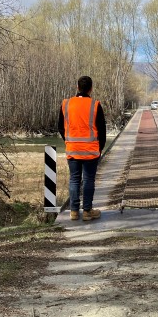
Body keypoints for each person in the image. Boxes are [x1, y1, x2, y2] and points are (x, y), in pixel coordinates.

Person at [58, 76, 106, 221]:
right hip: (90, 150)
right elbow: (102, 130)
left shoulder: (66, 104)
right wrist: (100, 148)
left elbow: (60, 127)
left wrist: (68, 141)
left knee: (74, 179)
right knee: (88, 180)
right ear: (91, 89)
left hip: (72, 148)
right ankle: (87, 211)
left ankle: (73, 211)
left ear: (77, 87)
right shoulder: (95, 105)